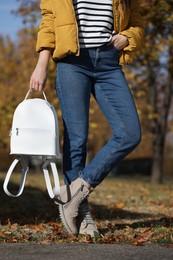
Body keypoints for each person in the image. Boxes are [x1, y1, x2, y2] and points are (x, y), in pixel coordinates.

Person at [30, 0, 144, 237]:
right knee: (77, 138)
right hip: (72, 63)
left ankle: (75, 191)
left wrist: (128, 37)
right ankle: (81, 213)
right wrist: (41, 64)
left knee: (130, 133)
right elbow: (49, 22)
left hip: (109, 64)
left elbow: (137, 22)